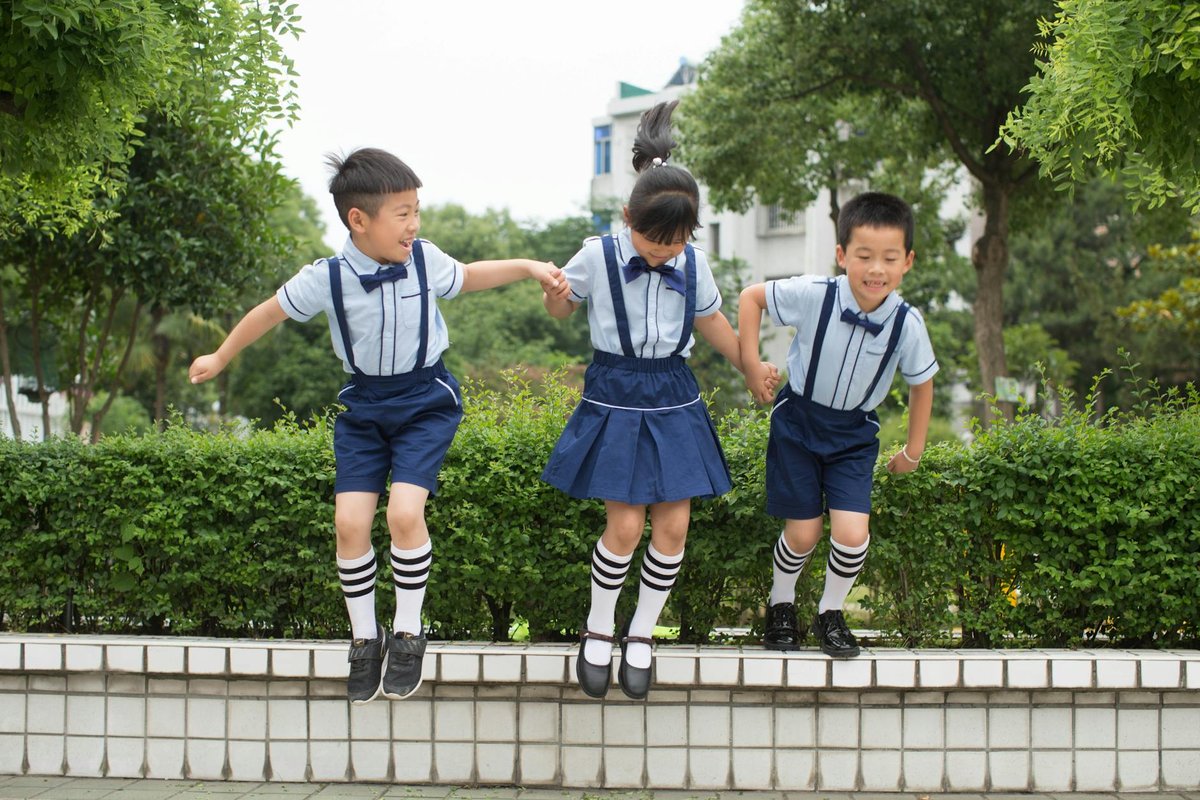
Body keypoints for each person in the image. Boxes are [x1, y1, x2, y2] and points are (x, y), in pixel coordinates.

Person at [188, 148, 569, 703]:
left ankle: (410, 632)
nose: (414, 224)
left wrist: (530, 267)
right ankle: (366, 637)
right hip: (363, 407)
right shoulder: (328, 278)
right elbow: (269, 312)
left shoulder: (423, 259)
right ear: (358, 219)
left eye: (417, 210)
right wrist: (221, 356)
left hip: (424, 401)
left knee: (404, 513)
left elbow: (468, 276)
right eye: (403, 213)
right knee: (349, 525)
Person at [542, 100, 778, 700]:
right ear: (627, 217)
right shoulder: (597, 254)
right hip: (615, 390)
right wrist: (557, 293)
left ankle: (642, 633)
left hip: (673, 391)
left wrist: (751, 369)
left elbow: (714, 323)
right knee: (623, 526)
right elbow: (563, 308)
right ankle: (599, 627)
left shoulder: (693, 265)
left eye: (673, 245)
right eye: (651, 240)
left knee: (674, 524)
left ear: (690, 235)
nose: (659, 253)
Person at [738, 191, 937, 658]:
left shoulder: (907, 323)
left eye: (890, 258)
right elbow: (752, 298)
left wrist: (913, 450)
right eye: (864, 256)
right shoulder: (815, 295)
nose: (876, 269)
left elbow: (921, 382)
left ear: (907, 261)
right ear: (842, 254)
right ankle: (781, 603)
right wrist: (750, 365)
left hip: (854, 434)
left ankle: (830, 613)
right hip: (798, 424)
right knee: (803, 534)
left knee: (852, 533)